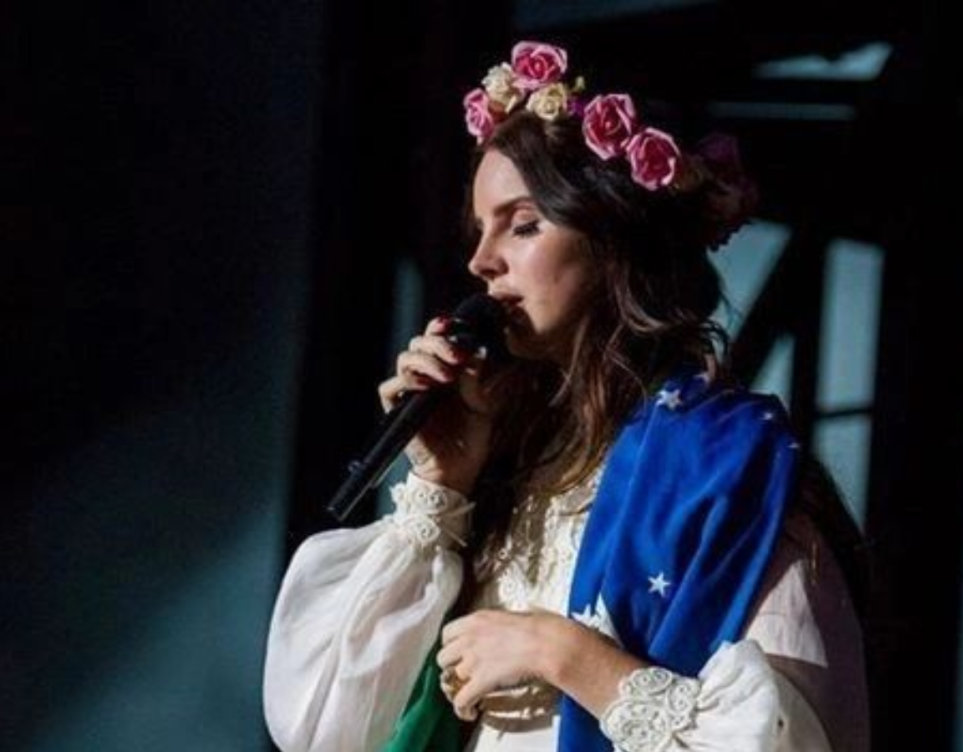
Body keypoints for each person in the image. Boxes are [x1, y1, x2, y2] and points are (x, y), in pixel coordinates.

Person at [263, 40, 870, 752]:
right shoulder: (501, 470)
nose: (481, 261)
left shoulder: (727, 472)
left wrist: (564, 654)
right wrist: (443, 482)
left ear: (613, 237)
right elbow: (328, 724)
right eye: (480, 232)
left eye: (523, 225)